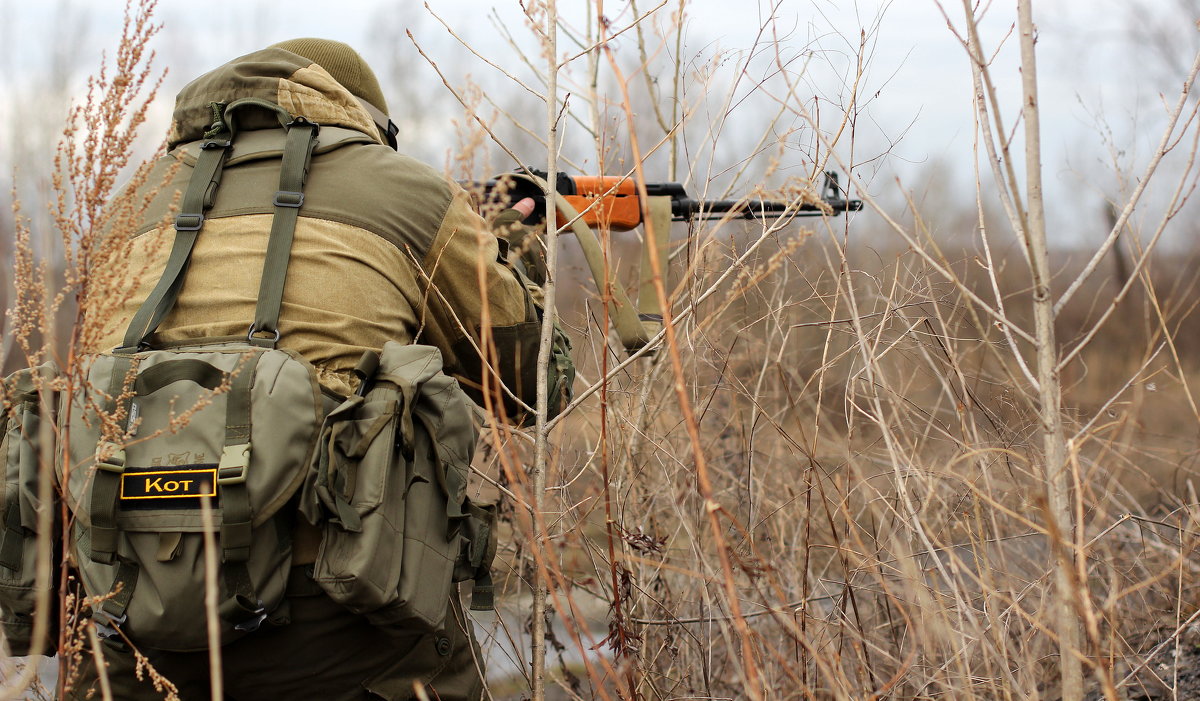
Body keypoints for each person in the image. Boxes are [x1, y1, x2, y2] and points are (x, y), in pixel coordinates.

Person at [70, 38, 573, 700]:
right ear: (364, 119)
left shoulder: (123, 210)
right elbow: (532, 386)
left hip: (131, 614)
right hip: (346, 615)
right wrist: (517, 247)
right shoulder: (407, 191)